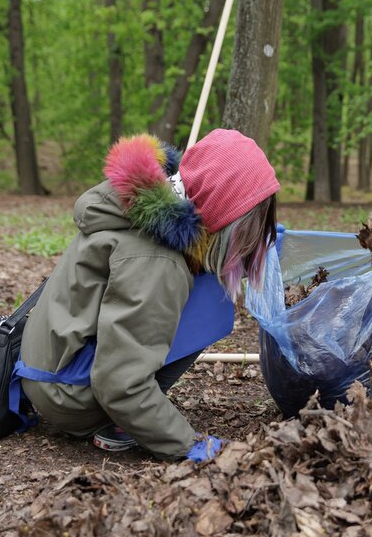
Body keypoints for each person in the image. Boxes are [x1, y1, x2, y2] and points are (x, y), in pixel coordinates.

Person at [18, 129, 280, 460]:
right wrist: (191, 446)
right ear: (221, 214)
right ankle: (119, 420)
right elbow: (119, 384)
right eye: (247, 231)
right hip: (68, 396)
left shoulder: (145, 212)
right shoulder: (157, 262)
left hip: (52, 371)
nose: (251, 243)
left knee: (209, 289)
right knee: (212, 309)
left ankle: (132, 415)